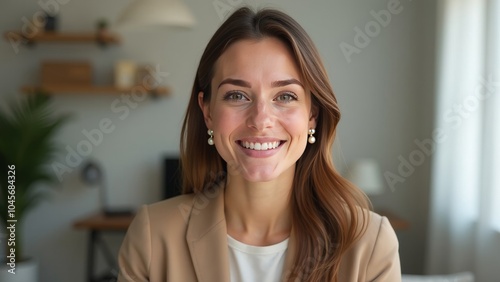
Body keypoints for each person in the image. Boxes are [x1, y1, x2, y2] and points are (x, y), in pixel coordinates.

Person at [117, 7, 401, 282]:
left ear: (312, 114)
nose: (260, 120)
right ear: (207, 112)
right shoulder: (153, 235)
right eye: (237, 95)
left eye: (285, 96)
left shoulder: (369, 243)